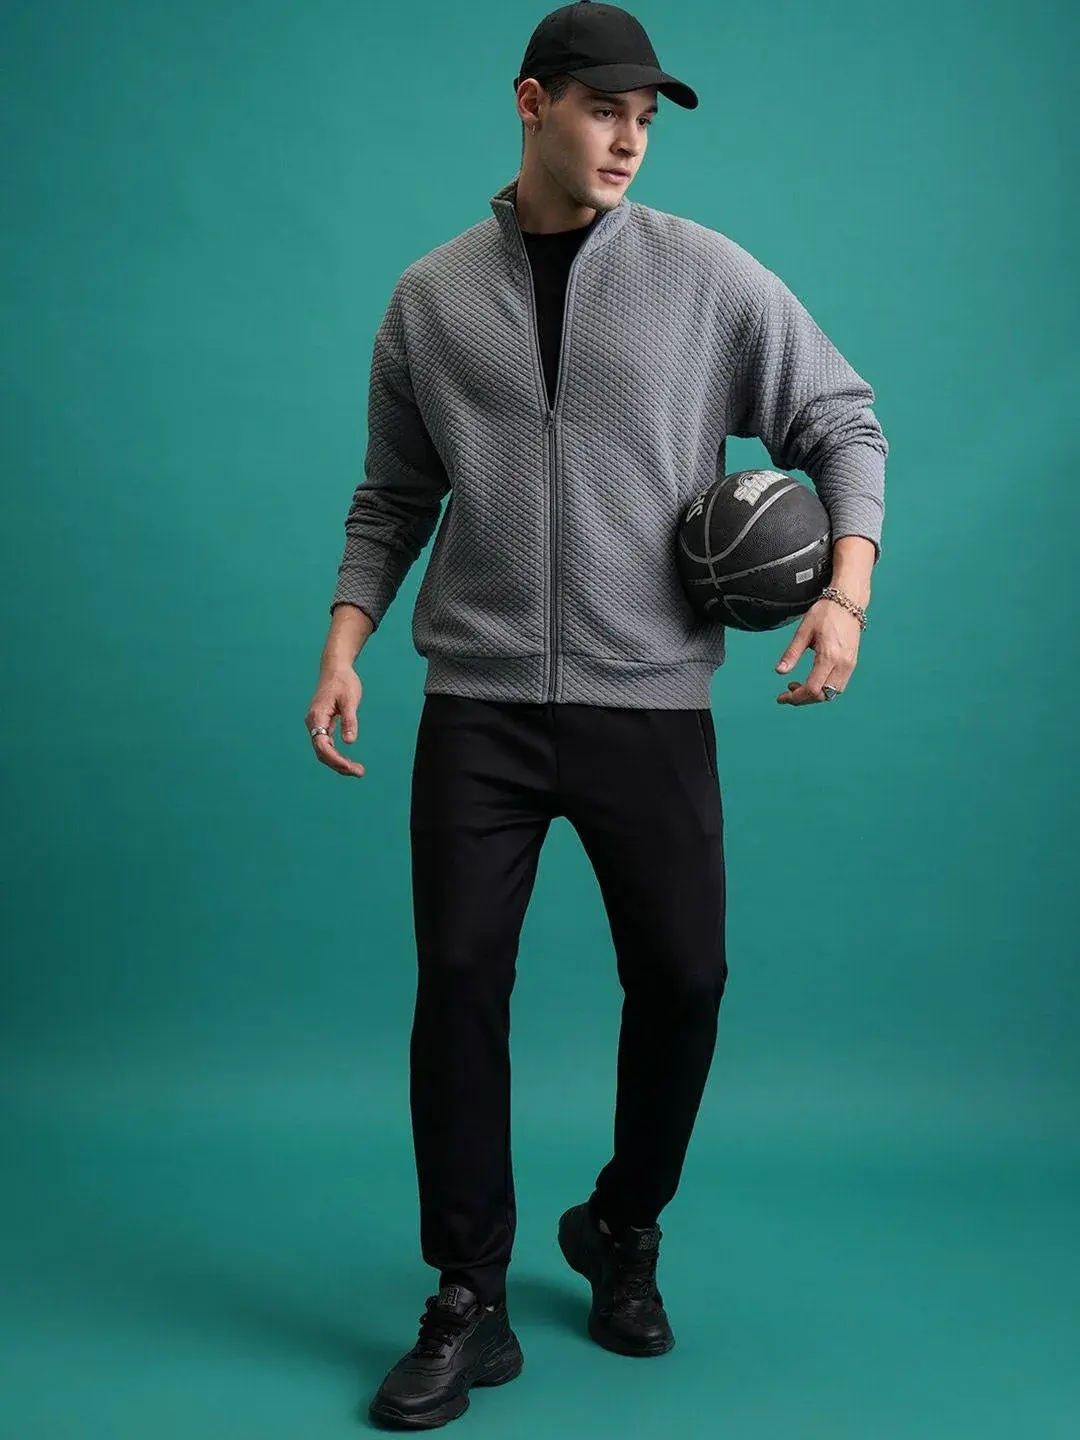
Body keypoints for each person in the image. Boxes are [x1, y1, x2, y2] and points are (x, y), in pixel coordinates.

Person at [305, 2, 887, 1429]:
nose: (629, 139)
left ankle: (621, 1224)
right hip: (480, 704)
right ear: (532, 103)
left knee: (686, 979)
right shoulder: (432, 297)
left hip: (649, 701)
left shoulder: (705, 276)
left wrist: (845, 593)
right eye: (603, 109)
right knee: (459, 985)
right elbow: (393, 494)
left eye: (645, 118)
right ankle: (467, 1297)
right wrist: (345, 643)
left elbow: (842, 420)